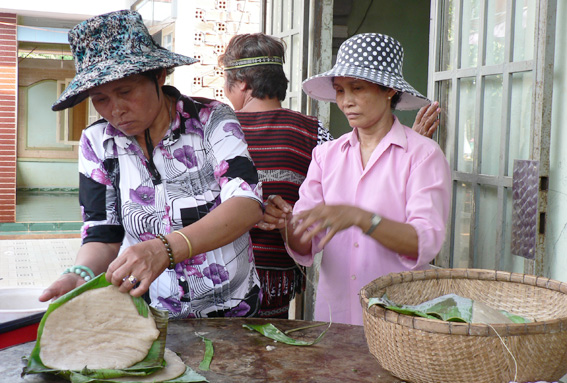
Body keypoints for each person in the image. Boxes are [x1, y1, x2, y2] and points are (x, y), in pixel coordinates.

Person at [39, 10, 264, 319]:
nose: (116, 110)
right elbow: (103, 233)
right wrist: (81, 273)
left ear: (159, 75)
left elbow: (246, 203)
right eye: (100, 99)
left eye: (126, 91)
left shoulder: (211, 120)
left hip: (230, 310)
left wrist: (165, 249)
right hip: (152, 314)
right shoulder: (98, 143)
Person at [218, 33, 442, 319]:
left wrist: (361, 215)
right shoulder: (319, 143)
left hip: (396, 322)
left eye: (357, 88)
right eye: (340, 90)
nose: (347, 101)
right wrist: (286, 224)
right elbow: (309, 234)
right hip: (306, 301)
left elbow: (424, 241)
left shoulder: (217, 131)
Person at [218, 33, 333, 318]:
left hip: (219, 274)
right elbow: (348, 180)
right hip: (277, 282)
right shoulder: (313, 131)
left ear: (242, 82)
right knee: (270, 352)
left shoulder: (216, 128)